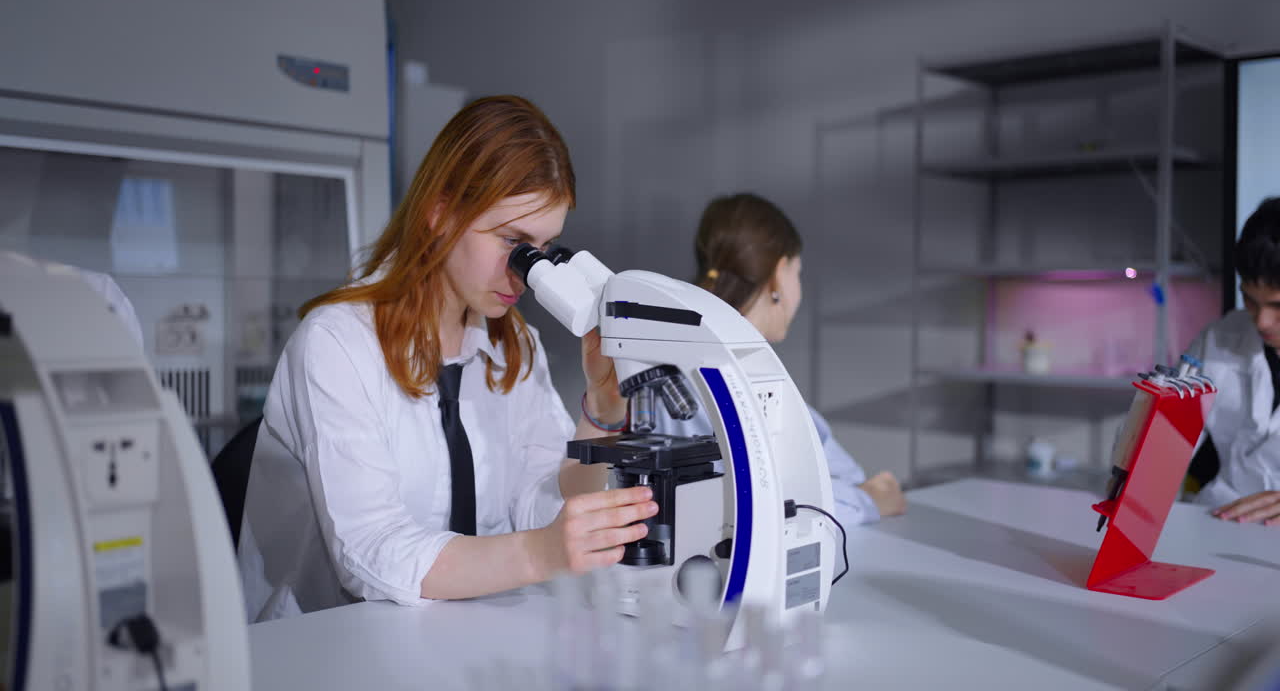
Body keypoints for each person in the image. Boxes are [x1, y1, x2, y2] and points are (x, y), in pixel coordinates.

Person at [236, 96, 657, 621]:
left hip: (452, 632)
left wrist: (603, 413)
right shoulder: (336, 344)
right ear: (440, 213)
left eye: (544, 249)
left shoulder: (515, 347)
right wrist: (538, 552)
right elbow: (370, 553)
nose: (526, 273)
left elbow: (539, 506)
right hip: (322, 640)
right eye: (513, 242)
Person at [653, 193, 906, 529]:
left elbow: (837, 469)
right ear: (779, 274)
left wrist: (860, 494)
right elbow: (758, 505)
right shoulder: (722, 374)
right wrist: (867, 501)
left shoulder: (686, 358)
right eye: (797, 272)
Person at [1188, 197, 1280, 526]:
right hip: (1220, 516)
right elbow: (1167, 437)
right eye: (1250, 300)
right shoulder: (1219, 338)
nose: (1262, 322)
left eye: (1278, 306)